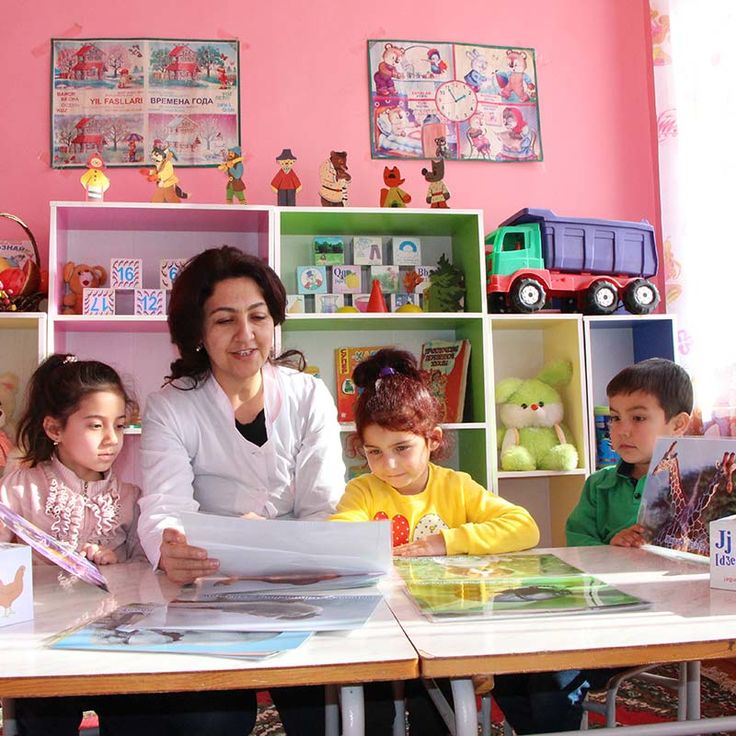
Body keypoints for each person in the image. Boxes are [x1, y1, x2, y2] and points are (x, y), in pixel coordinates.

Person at [138, 244, 346, 735]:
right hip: (212, 588)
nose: (245, 335)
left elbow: (325, 508)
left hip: (302, 584)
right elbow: (165, 506)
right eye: (224, 320)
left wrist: (279, 548)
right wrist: (170, 547)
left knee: (329, 713)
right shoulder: (170, 407)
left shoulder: (308, 395)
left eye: (258, 316)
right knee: (211, 719)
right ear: (197, 332)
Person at [331, 348, 540, 734]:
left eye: (402, 448)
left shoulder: (456, 486)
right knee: (370, 709)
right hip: (381, 627)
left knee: (437, 711)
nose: (388, 465)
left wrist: (446, 541)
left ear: (432, 440)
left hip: (442, 628)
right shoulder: (361, 490)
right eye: (374, 452)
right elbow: (341, 538)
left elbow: (524, 526)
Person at [493, 357, 693, 734]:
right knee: (507, 669)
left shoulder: (693, 485)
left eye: (638, 418)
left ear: (678, 424)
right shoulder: (599, 483)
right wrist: (610, 547)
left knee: (550, 683)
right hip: (594, 616)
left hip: (655, 622)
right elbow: (576, 544)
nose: (622, 430)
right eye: (615, 418)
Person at [0, 353, 152, 735]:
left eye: (120, 425)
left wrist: (118, 565)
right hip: (41, 648)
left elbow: (149, 575)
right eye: (96, 426)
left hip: (117, 646)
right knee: (42, 716)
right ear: (54, 428)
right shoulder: (20, 489)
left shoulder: (131, 499)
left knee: (140, 713)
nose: (112, 439)